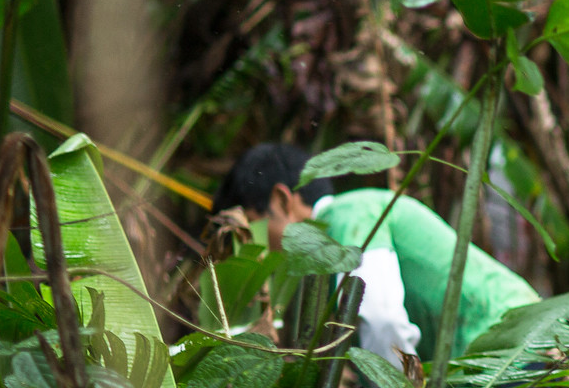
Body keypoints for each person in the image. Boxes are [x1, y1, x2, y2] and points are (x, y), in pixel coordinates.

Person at [212, 144, 540, 365]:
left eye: (251, 229)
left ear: (282, 201)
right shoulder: (336, 239)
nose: (258, 248)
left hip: (517, 347)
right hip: (523, 342)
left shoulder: (347, 216)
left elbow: (381, 320)